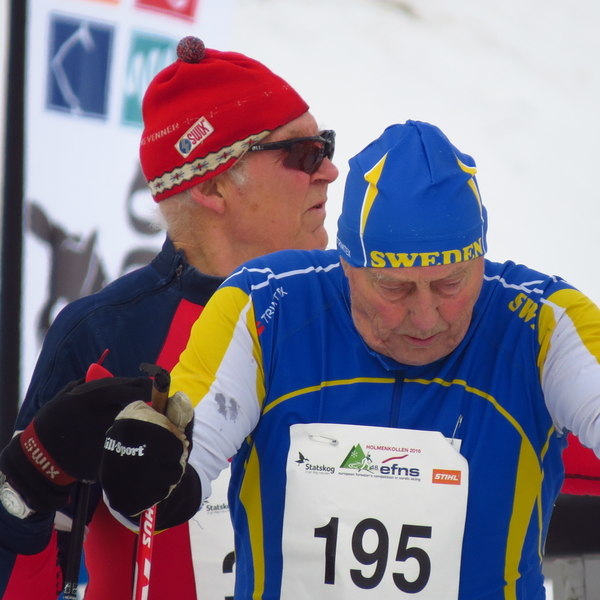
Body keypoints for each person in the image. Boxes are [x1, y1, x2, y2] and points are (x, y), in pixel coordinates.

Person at [97, 119, 600, 600]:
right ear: (345, 264)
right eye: (394, 287)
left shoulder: (542, 323)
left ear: (481, 259)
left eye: (451, 284)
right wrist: (143, 469)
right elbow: (169, 472)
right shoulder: (264, 306)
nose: (426, 317)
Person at [0, 36, 338, 600]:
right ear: (213, 187)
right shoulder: (102, 335)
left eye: (326, 145)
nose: (330, 169)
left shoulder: (367, 310)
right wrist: (30, 474)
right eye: (303, 154)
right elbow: (28, 573)